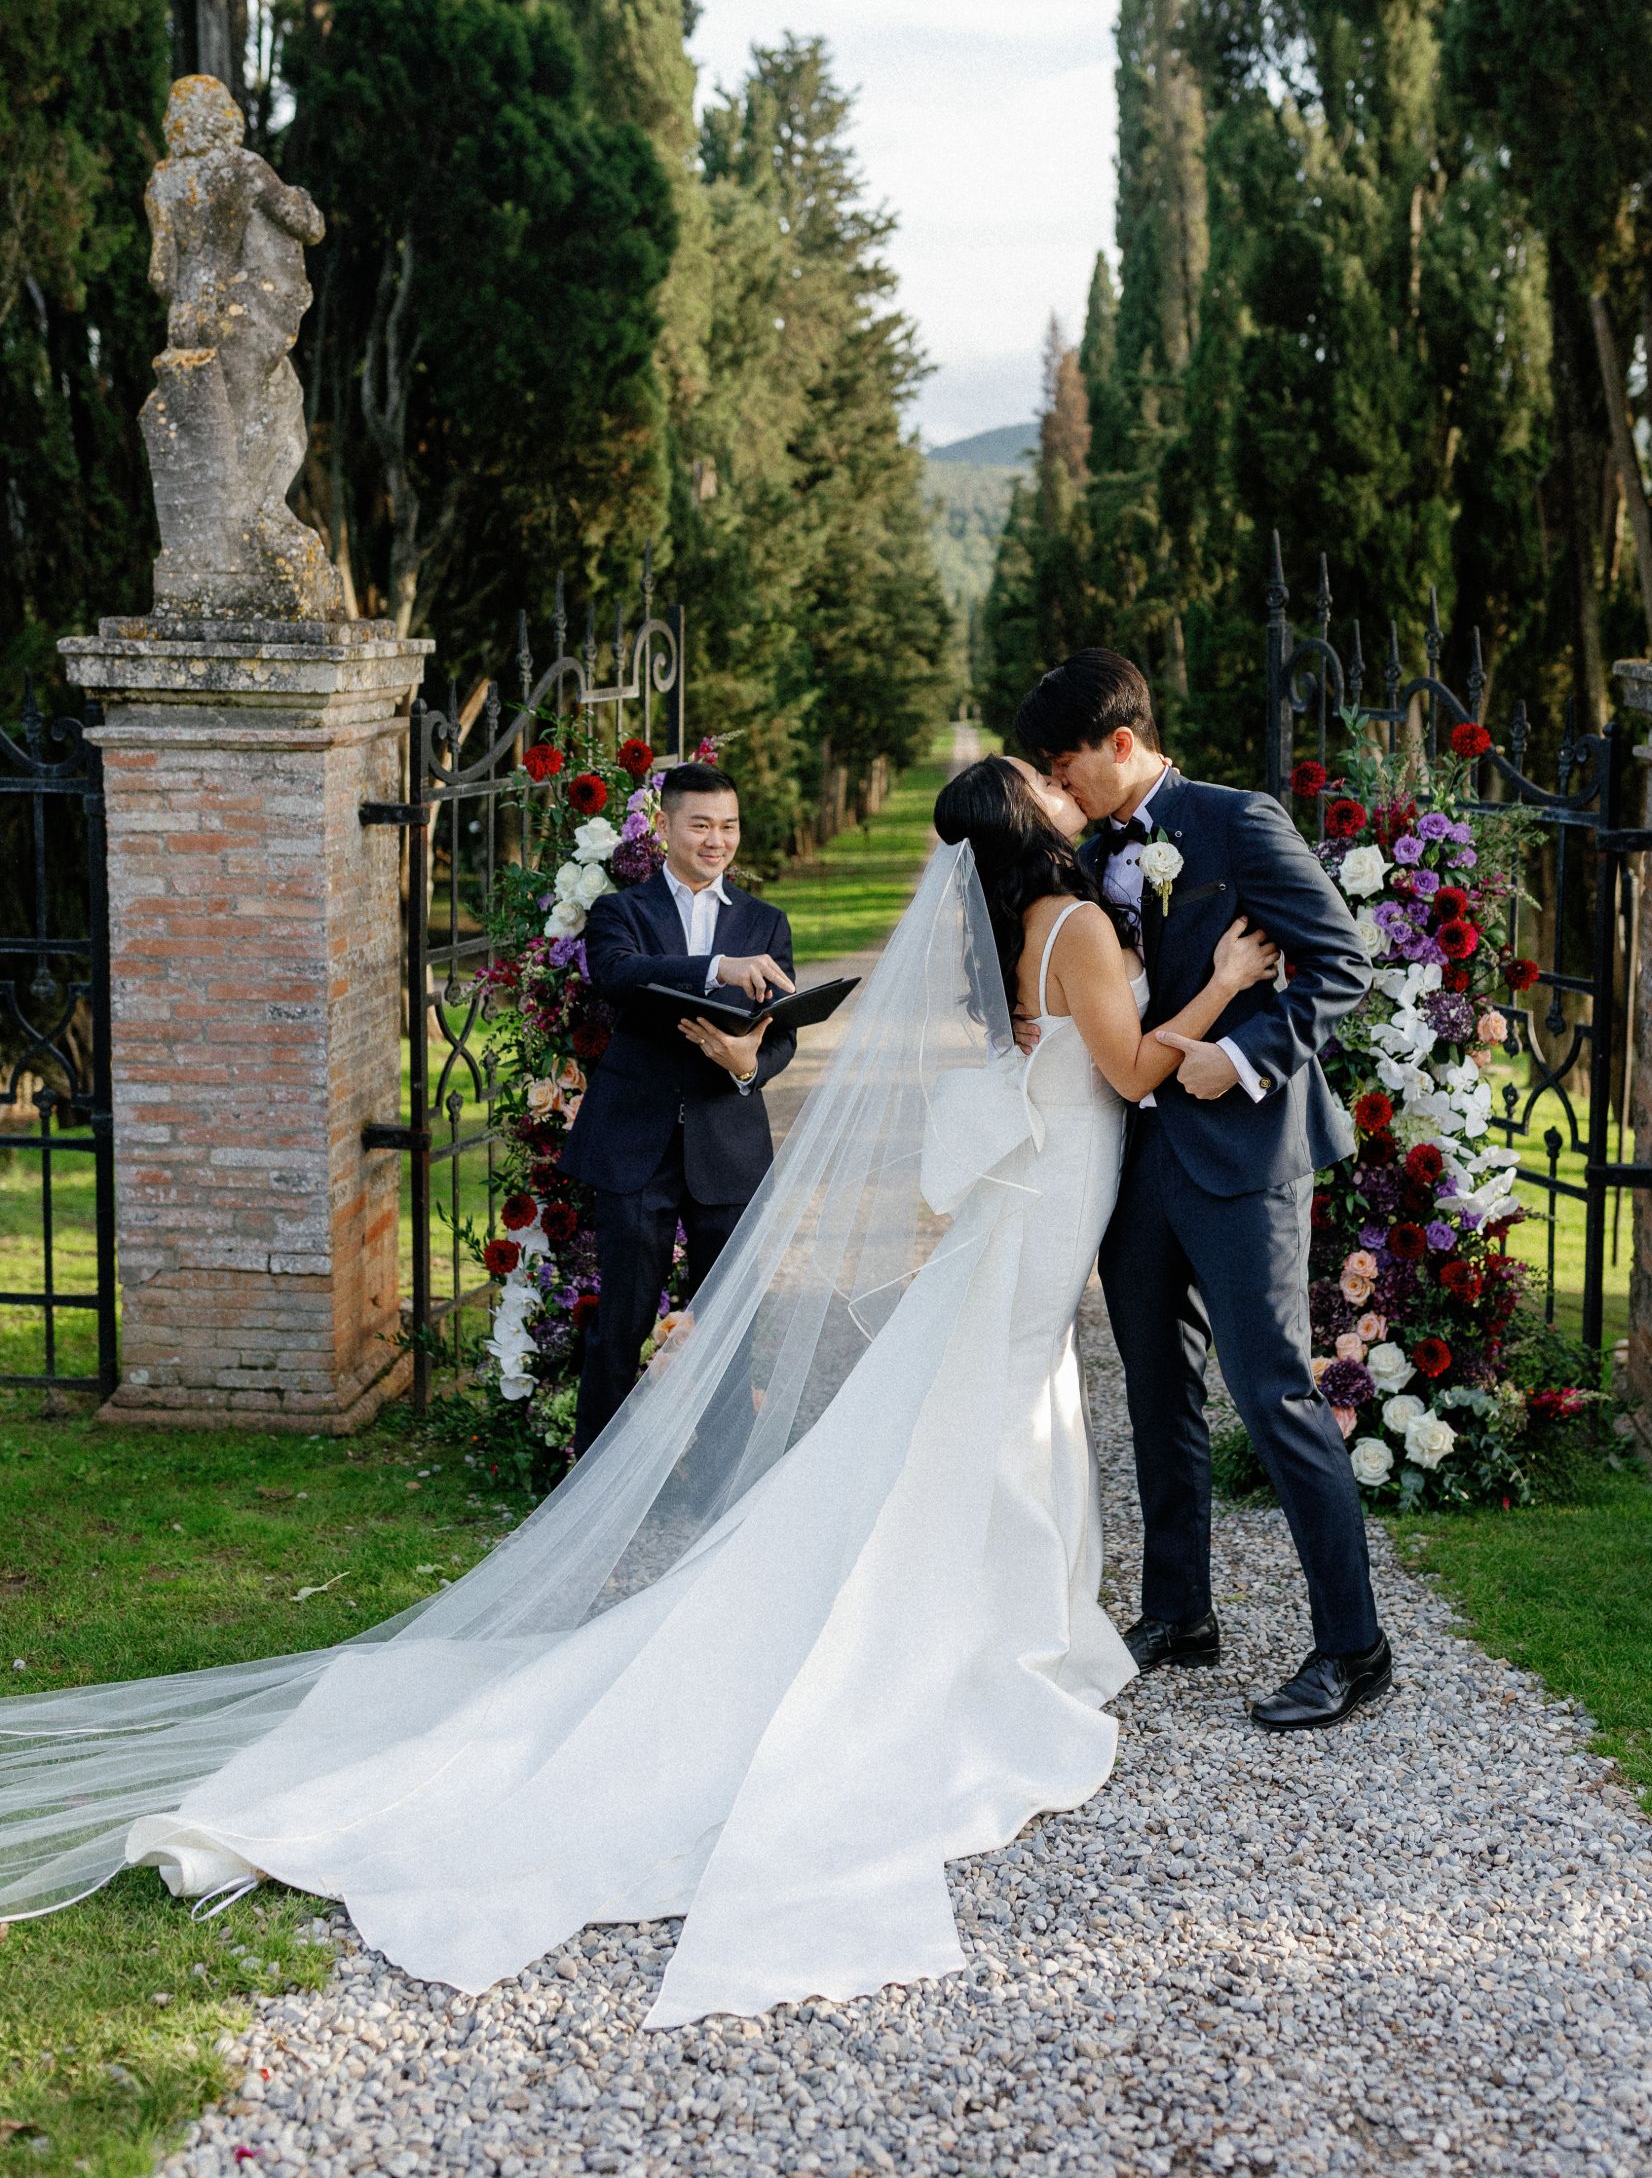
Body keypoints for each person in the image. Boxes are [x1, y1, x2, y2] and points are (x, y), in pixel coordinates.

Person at [0, 756, 1275, 2027]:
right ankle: (975, 1625)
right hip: (1054, 1195)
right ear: (1030, 825)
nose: (1063, 794)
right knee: (994, 1399)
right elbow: (1128, 1073)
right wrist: (1220, 986)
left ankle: (1002, 1607)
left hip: (1040, 1194)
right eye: (1042, 788)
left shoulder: (1029, 921)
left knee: (996, 1398)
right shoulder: (1081, 922)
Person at [1013, 647, 1390, 1733]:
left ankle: (1355, 1648)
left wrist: (1251, 1055)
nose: (1060, 784)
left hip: (1244, 1156)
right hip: (1135, 1156)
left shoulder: (1240, 823)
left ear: (1121, 745)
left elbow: (1338, 967)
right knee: (1153, 1389)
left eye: (1068, 761)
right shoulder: (1084, 848)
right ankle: (1180, 1613)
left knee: (1272, 1392)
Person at [560, 762, 797, 1452]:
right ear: (665, 829)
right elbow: (618, 974)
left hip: (728, 1146)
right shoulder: (621, 912)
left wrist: (752, 1063)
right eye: (701, 825)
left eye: (728, 826)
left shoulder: (765, 920)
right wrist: (716, 967)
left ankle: (719, 1485)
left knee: (729, 1325)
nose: (716, 840)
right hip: (636, 1145)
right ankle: (595, 1485)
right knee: (622, 1322)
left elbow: (780, 1031)